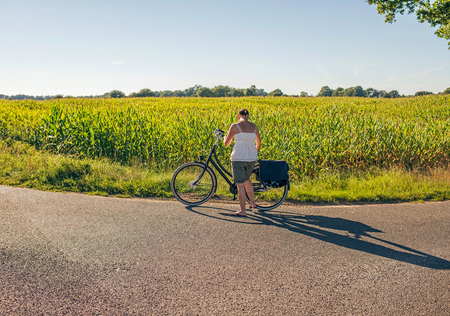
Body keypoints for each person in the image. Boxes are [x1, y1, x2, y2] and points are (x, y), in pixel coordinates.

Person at [223, 109, 261, 216]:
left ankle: (242, 211)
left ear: (238, 117)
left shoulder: (235, 126)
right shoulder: (254, 126)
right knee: (246, 179)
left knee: (240, 185)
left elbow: (227, 143)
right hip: (251, 158)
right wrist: (254, 153)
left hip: (238, 158)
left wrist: (224, 138)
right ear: (248, 116)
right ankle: (252, 203)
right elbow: (258, 143)